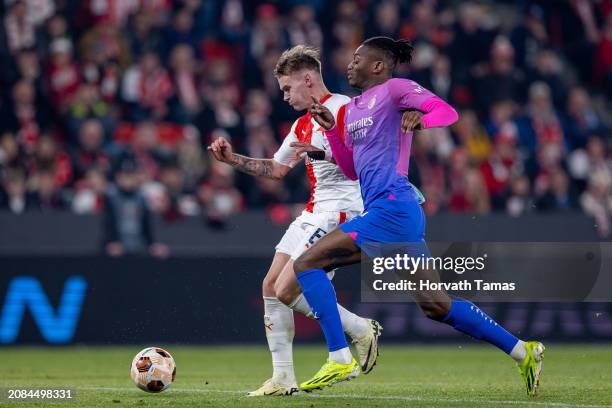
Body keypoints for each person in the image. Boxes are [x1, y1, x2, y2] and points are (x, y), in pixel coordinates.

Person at [290, 36, 545, 396]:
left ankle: (339, 356)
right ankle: (524, 351)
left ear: (378, 65)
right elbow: (351, 169)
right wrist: (332, 129)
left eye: (357, 59)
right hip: (392, 212)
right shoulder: (357, 108)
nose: (349, 64)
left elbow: (447, 112)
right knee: (436, 305)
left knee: (306, 265)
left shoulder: (396, 89)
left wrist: (420, 119)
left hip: (392, 207)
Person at [208, 45, 389, 397]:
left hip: (343, 211)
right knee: (270, 287)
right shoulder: (301, 123)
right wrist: (232, 160)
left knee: (288, 288)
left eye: (288, 88)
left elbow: (364, 162)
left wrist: (325, 152)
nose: (286, 96)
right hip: (312, 211)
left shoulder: (344, 109)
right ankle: (283, 377)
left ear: (308, 79)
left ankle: (359, 331)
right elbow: (276, 169)